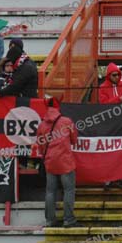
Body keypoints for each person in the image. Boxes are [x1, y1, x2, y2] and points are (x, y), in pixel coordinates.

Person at [36, 98, 78, 228]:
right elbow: (74, 140)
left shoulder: (42, 125)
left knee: (50, 191)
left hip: (50, 162)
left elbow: (40, 146)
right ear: (58, 107)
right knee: (68, 190)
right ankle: (68, 219)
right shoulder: (67, 121)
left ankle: (50, 220)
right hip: (65, 162)